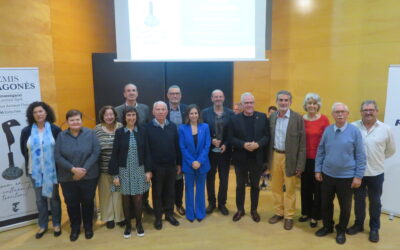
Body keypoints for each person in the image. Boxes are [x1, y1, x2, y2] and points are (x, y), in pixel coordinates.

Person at [315, 102, 366, 245]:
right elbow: (321, 151)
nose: (340, 114)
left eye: (343, 112)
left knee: (345, 207)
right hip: (327, 175)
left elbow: (361, 155)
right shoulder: (328, 130)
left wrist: (358, 176)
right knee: (325, 204)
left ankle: (341, 230)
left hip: (347, 177)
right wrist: (318, 169)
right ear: (333, 114)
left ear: (347, 114)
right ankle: (327, 226)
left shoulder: (355, 131)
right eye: (337, 112)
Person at [347, 100, 396, 243]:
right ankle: (358, 225)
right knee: (359, 201)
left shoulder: (385, 129)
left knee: (375, 202)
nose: (368, 112)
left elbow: (391, 150)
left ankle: (374, 228)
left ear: (376, 111)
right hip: (357, 174)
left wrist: (378, 158)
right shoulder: (353, 127)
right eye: (365, 110)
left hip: (376, 173)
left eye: (371, 110)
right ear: (361, 112)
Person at [55, 109, 100, 241]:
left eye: (77, 119)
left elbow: (96, 152)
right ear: (67, 122)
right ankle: (75, 228)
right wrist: (73, 169)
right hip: (67, 177)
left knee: (87, 202)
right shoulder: (61, 136)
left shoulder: (90, 133)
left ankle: (88, 227)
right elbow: (57, 156)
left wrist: (83, 169)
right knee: (71, 203)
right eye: (72, 120)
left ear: (81, 120)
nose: (75, 122)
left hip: (89, 175)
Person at [20, 102, 62, 239]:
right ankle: (43, 225)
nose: (38, 114)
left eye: (41, 111)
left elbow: (60, 149)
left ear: (46, 113)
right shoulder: (26, 131)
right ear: (32, 115)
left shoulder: (55, 129)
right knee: (40, 200)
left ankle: (56, 224)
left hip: (52, 171)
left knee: (54, 198)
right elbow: (24, 151)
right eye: (35, 112)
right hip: (35, 171)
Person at [108, 107, 152, 238]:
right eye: (129, 115)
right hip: (123, 170)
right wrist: (115, 175)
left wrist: (148, 170)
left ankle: (139, 224)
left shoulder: (143, 131)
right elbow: (115, 153)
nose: (131, 118)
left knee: (138, 198)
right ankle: (128, 225)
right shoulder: (119, 132)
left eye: (133, 115)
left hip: (139, 169)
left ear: (136, 117)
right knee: (126, 198)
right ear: (124, 117)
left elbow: (148, 152)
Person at [267, 90, 306, 230]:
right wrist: (267, 161)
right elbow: (268, 140)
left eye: (286, 100)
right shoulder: (272, 117)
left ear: (290, 102)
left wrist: (300, 165)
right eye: (280, 100)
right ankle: (279, 212)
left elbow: (302, 144)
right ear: (277, 102)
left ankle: (288, 216)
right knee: (276, 188)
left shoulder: (297, 118)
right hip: (275, 156)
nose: (283, 103)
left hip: (291, 159)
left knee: (290, 189)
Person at [230, 92, 269, 223]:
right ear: (242, 104)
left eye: (251, 102)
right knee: (240, 185)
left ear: (254, 103)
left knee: (255, 186)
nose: (249, 105)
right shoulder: (234, 119)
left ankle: (254, 210)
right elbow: (230, 138)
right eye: (246, 103)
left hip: (256, 158)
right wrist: (243, 145)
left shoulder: (262, 117)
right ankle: (240, 210)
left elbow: (267, 137)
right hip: (240, 157)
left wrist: (258, 144)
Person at [114, 83, 152, 213]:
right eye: (128, 91)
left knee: (142, 186)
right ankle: (129, 213)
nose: (131, 93)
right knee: (125, 188)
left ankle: (144, 205)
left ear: (137, 93)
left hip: (140, 150)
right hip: (124, 151)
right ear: (124, 94)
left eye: (133, 90)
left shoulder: (145, 108)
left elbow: (147, 127)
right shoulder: (117, 110)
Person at [146, 101, 181, 230]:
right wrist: (148, 169)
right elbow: (147, 150)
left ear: (167, 111)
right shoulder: (148, 128)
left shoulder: (172, 126)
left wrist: (178, 163)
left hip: (171, 166)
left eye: (163, 109)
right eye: (158, 109)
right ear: (153, 112)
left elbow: (176, 146)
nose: (160, 112)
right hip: (156, 167)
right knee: (157, 193)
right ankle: (158, 217)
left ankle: (169, 214)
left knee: (170, 191)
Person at [299, 93, 330, 228]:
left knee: (318, 190)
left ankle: (315, 215)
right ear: (305, 105)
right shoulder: (301, 119)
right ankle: (305, 212)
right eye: (309, 103)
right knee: (305, 188)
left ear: (318, 105)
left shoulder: (324, 119)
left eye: (314, 103)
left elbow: (328, 141)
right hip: (304, 159)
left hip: (319, 160)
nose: (311, 105)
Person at [202, 89, 233, 215]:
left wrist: (226, 144)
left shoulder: (231, 113)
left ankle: (222, 203)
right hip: (209, 151)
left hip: (225, 152)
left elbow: (232, 133)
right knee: (210, 178)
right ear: (212, 98)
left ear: (224, 98)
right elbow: (202, 132)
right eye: (216, 96)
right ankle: (211, 203)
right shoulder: (204, 113)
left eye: (220, 96)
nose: (218, 98)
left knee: (224, 178)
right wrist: (210, 140)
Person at [179, 104, 211, 222]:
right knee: (189, 189)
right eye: (191, 113)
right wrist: (192, 161)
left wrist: (200, 161)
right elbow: (183, 147)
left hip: (202, 164)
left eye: (196, 113)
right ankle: (190, 213)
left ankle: (200, 212)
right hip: (189, 164)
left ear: (199, 114)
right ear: (188, 115)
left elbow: (207, 146)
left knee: (201, 189)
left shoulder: (205, 127)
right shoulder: (182, 128)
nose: (194, 115)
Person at [94, 106, 124, 229]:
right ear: (102, 116)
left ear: (115, 115)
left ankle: (120, 217)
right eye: (106, 115)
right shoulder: (97, 129)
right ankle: (109, 218)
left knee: (118, 193)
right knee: (106, 194)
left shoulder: (121, 127)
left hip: (119, 168)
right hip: (103, 168)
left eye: (111, 114)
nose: (109, 117)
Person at [166, 85, 187, 216]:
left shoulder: (186, 109)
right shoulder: (162, 109)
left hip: (183, 150)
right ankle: (167, 206)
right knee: (167, 180)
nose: (175, 96)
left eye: (177, 93)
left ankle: (178, 204)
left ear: (180, 95)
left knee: (179, 179)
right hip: (167, 150)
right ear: (168, 95)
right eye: (172, 94)